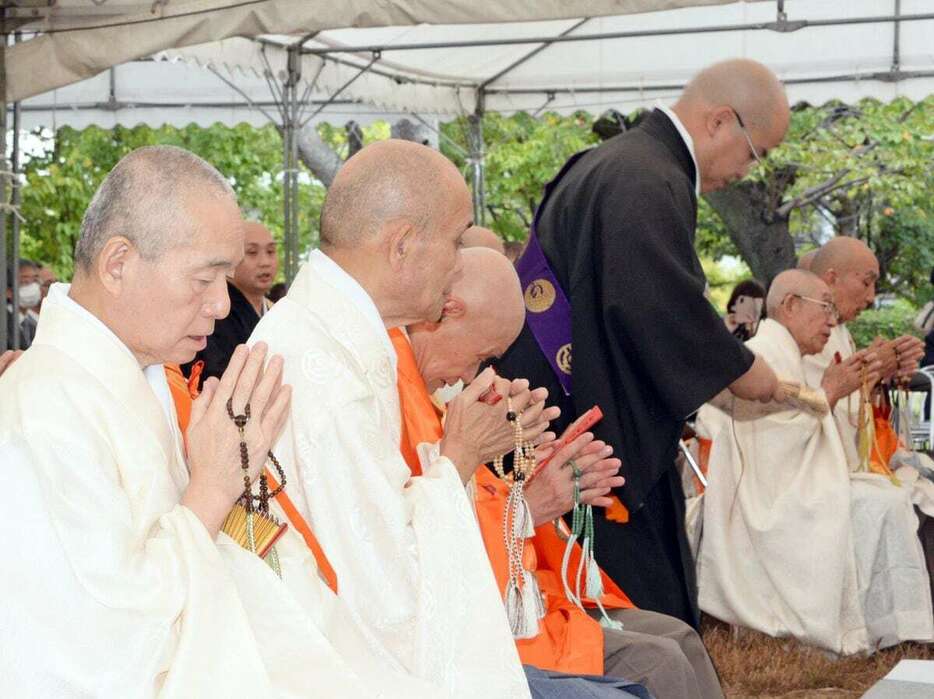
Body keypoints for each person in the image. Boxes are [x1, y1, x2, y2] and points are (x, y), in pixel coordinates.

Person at [0, 145, 446, 698]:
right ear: (118, 263)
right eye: (205, 278)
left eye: (225, 281)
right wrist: (214, 488)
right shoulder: (43, 410)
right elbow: (104, 648)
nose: (219, 305)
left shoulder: (143, 382)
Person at [250, 139, 558, 697]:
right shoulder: (324, 375)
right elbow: (390, 607)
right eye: (457, 240)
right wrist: (458, 457)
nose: (460, 262)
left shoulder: (339, 340)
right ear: (402, 246)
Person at [495, 58, 789, 626]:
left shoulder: (622, 162)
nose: (750, 171)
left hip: (564, 399)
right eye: (756, 153)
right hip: (579, 422)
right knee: (637, 608)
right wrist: (740, 368)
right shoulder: (646, 176)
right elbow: (653, 301)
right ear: (720, 121)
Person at [399, 247, 725, 699]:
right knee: (659, 660)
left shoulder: (430, 392)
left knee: (680, 638)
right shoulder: (395, 393)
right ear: (445, 310)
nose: (475, 374)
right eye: (482, 356)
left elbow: (479, 502)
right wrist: (530, 505)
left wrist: (539, 476)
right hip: (472, 624)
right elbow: (416, 541)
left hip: (518, 594)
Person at [697, 269, 933, 654]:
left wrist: (862, 382)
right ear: (790, 306)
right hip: (771, 498)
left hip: (796, 480)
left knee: (903, 493)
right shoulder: (763, 354)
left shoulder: (789, 352)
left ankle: (897, 625)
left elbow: (819, 418)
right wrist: (831, 391)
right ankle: (890, 628)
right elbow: (767, 439)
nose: (832, 320)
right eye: (825, 308)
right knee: (883, 504)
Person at [804, 237, 925, 471]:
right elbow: (809, 415)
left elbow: (854, 415)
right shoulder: (803, 335)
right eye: (866, 283)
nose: (871, 297)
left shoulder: (841, 332)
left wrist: (881, 377)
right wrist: (872, 369)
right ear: (831, 279)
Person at [184, 219, 277, 386]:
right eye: (252, 252)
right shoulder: (214, 313)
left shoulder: (276, 311)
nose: (265, 262)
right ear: (230, 259)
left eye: (271, 252)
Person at [6, 258, 41, 349]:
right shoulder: (3, 325)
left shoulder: (34, 325)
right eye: (25, 281)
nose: (32, 286)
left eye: (35, 280)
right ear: (8, 291)